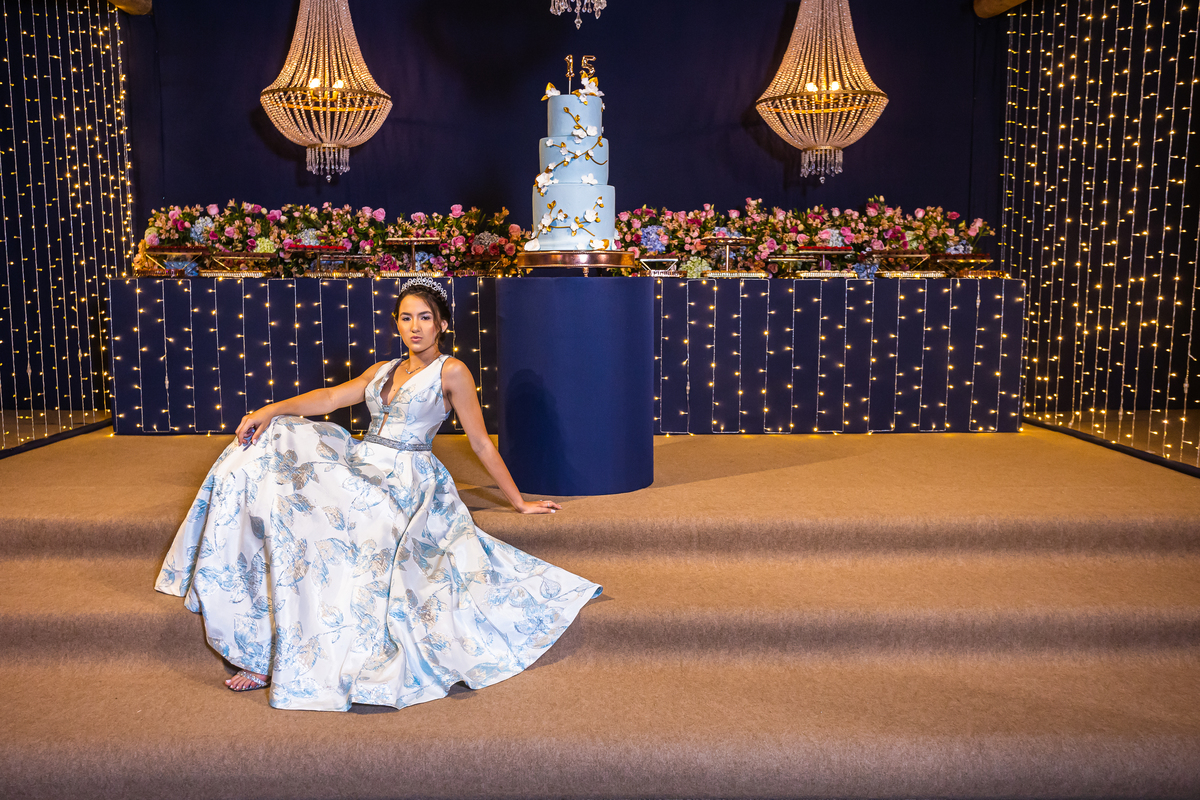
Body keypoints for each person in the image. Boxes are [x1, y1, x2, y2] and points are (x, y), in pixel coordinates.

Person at [155, 277, 602, 711]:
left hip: (408, 477)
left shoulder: (453, 371)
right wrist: (267, 410)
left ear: (442, 324)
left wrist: (519, 501)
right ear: (396, 323)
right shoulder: (383, 369)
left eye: (425, 318)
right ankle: (263, 644)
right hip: (363, 462)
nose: (415, 327)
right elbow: (330, 398)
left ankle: (291, 650)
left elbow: (482, 442)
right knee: (280, 439)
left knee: (354, 524)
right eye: (406, 317)